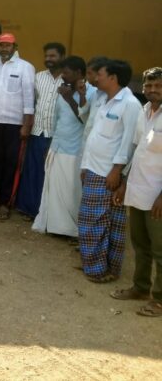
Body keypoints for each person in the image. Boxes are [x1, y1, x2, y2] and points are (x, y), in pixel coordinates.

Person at [79, 59, 142, 283]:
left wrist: (117, 171)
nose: (96, 78)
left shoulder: (130, 104)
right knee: (95, 221)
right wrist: (85, 165)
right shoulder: (105, 100)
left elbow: (129, 143)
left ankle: (101, 269)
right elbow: (95, 135)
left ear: (113, 78)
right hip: (94, 168)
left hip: (108, 173)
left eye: (100, 74)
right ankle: (94, 264)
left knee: (101, 223)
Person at [111, 67, 162, 317]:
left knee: (160, 250)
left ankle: (159, 301)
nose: (153, 90)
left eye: (158, 86)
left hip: (158, 197)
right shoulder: (144, 111)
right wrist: (124, 183)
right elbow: (137, 151)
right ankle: (141, 288)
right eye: (149, 85)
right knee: (141, 245)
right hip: (139, 190)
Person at [32, 56, 95, 238]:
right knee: (53, 188)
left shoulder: (91, 93)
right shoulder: (64, 91)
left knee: (70, 191)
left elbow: (86, 121)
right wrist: (51, 144)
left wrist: (70, 99)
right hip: (58, 146)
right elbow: (57, 119)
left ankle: (71, 229)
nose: (63, 76)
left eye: (66, 73)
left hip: (74, 150)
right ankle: (55, 226)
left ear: (79, 73)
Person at [0, 33, 35, 220]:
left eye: (8, 45)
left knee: (10, 163)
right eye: (1, 45)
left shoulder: (25, 67)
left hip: (15, 125)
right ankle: (0, 197)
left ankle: (6, 202)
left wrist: (26, 124)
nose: (4, 48)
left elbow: (29, 97)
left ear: (15, 47)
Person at [15, 42, 66, 220]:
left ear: (62, 57)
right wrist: (26, 126)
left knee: (51, 175)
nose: (48, 59)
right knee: (33, 171)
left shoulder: (68, 80)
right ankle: (30, 209)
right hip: (37, 132)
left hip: (56, 134)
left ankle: (48, 213)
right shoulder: (38, 77)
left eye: (52, 56)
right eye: (46, 56)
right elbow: (31, 103)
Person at [82, 56, 109, 141]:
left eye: (90, 73)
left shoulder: (127, 101)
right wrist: (82, 95)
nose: (87, 77)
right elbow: (83, 114)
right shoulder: (96, 93)